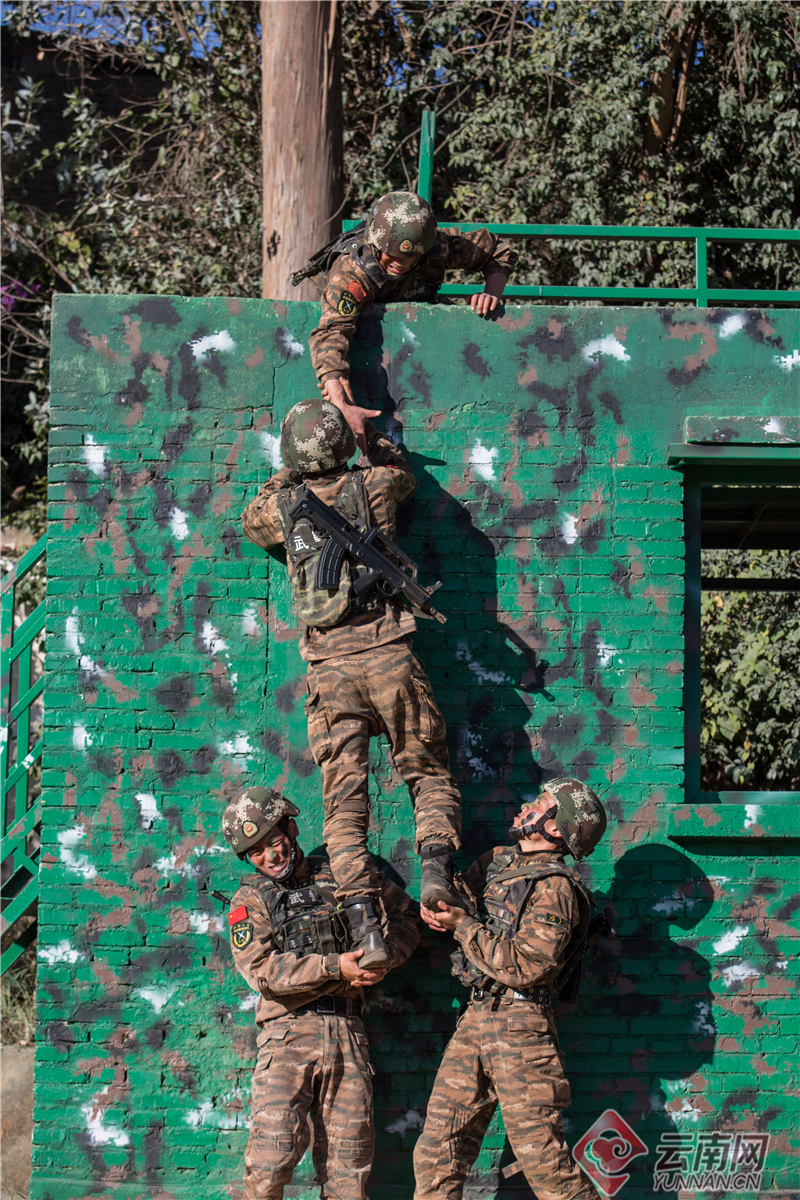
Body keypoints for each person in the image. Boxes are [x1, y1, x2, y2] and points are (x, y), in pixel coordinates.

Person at [241, 398, 464, 969]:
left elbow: (252, 517)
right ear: (342, 444)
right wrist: (369, 440)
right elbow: (400, 473)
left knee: (343, 807)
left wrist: (294, 469)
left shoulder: (283, 508)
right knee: (428, 771)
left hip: (330, 669)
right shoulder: (381, 489)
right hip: (390, 652)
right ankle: (437, 873)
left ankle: (365, 922)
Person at [413, 778, 608, 1200]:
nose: (526, 806)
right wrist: (440, 908)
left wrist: (461, 925)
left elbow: (527, 965)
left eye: (539, 803)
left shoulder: (557, 889)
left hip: (522, 1026)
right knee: (436, 1152)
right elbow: (459, 898)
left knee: (543, 1163)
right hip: (477, 1018)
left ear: (556, 829)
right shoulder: (500, 861)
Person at [222, 784, 420, 1200]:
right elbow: (262, 971)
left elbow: (404, 917)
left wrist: (385, 959)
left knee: (348, 1171)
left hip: (347, 1032)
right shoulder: (249, 900)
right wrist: (336, 966)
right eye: (255, 852)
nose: (270, 856)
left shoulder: (342, 874)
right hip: (287, 1036)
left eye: (274, 842)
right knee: (270, 1162)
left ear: (290, 829)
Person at [309, 190, 518, 449]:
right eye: (391, 255)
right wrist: (338, 398)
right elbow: (331, 331)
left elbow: (497, 249)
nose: (401, 263)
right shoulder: (351, 271)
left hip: (422, 334)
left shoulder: (434, 246)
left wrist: (491, 294)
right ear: (374, 243)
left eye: (410, 257)